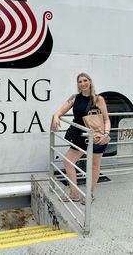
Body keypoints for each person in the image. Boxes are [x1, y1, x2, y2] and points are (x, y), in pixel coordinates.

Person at [52, 72, 111, 204]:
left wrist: (106, 134)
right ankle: (74, 193)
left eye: (85, 80)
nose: (83, 83)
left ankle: (89, 194)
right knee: (68, 161)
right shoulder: (74, 98)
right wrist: (56, 117)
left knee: (94, 165)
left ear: (90, 82)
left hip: (97, 136)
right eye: (80, 81)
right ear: (77, 84)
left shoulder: (98, 99)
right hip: (80, 136)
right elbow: (59, 112)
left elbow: (106, 119)